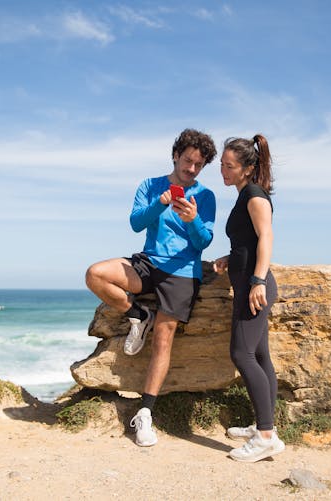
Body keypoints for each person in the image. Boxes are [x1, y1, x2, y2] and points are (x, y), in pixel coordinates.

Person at [85, 128, 217, 447]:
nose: (191, 169)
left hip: (183, 271)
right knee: (95, 274)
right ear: (175, 156)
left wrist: (193, 220)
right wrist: (160, 204)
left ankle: (145, 412)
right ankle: (137, 314)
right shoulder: (150, 185)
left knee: (163, 337)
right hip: (149, 262)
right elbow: (135, 223)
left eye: (199, 165)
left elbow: (204, 241)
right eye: (187, 161)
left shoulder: (206, 196)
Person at [213, 134, 285, 462]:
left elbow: (267, 236)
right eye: (222, 165)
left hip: (254, 287)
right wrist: (231, 259)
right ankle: (265, 428)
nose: (223, 171)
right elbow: (247, 241)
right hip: (246, 281)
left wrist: (257, 280)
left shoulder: (255, 196)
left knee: (242, 354)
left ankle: (266, 436)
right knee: (260, 356)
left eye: (229, 166)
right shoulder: (244, 195)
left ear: (247, 169)